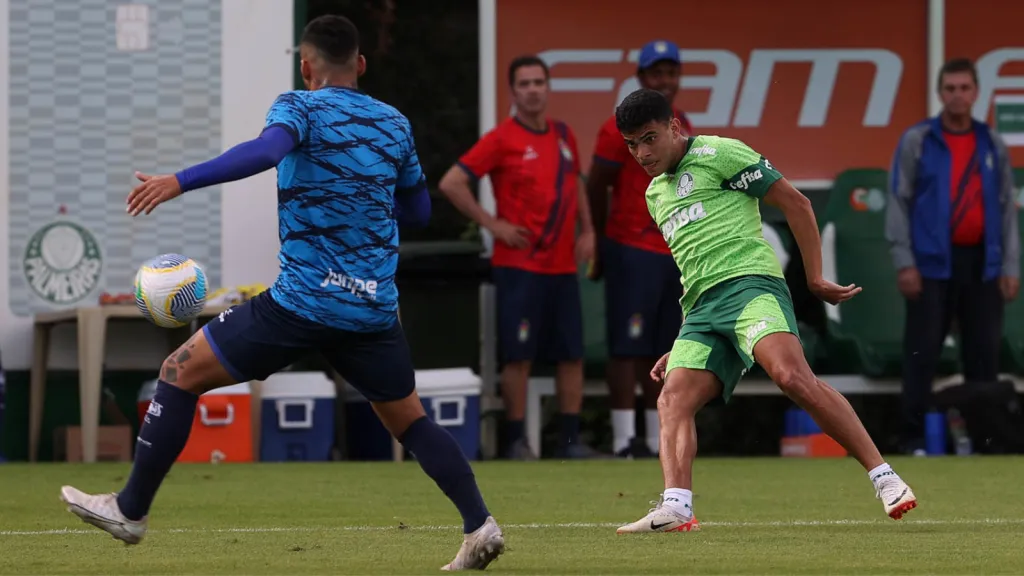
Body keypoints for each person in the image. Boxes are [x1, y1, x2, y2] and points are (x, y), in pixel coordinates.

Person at [59, 15, 505, 571]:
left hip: (302, 304)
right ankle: (479, 524)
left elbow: (268, 151)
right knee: (411, 422)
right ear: (361, 64)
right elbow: (416, 210)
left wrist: (179, 180)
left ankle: (130, 510)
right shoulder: (394, 123)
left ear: (306, 66)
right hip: (370, 310)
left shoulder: (298, 106)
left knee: (177, 372)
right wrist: (362, 195)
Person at [611, 88, 917, 534]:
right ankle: (677, 506)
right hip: (701, 310)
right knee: (673, 398)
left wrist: (814, 279)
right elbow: (693, 264)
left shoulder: (720, 153)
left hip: (750, 286)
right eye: (632, 144)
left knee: (791, 377)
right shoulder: (655, 194)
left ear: (674, 127)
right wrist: (681, 341)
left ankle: (885, 477)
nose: (642, 153)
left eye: (649, 138)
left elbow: (797, 203)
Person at [439, 55, 599, 460]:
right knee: (519, 356)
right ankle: (515, 441)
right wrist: (492, 223)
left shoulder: (563, 134)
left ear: (548, 88)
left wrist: (588, 230)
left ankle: (570, 443)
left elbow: (576, 183)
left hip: (562, 266)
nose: (532, 90)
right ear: (513, 92)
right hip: (519, 267)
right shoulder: (501, 138)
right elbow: (452, 182)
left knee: (571, 356)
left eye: (538, 82)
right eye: (524, 84)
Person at [886, 57, 1020, 455]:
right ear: (939, 93)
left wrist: (1010, 266)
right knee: (921, 353)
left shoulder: (991, 142)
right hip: (929, 264)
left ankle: (986, 440)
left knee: (983, 355)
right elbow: (898, 202)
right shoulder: (918, 140)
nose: (957, 95)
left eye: (964, 88)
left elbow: (1006, 208)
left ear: (976, 92)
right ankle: (912, 439)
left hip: (983, 264)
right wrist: (904, 261)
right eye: (950, 88)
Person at [587, 39, 693, 459]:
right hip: (629, 246)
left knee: (666, 348)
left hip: (673, 249)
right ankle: (622, 440)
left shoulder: (681, 123)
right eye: (656, 73)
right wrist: (600, 240)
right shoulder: (617, 127)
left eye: (671, 72)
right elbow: (597, 185)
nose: (665, 80)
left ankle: (655, 439)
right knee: (627, 347)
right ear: (641, 77)